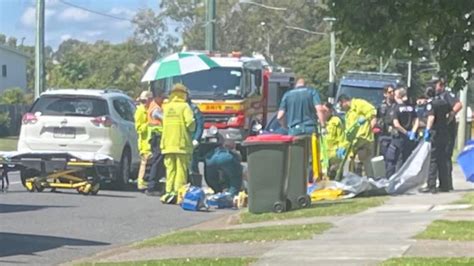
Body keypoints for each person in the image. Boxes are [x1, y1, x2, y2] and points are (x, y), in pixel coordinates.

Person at [160, 84, 195, 203]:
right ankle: (179, 193)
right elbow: (190, 123)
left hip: (167, 144)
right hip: (181, 144)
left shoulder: (167, 107)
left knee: (170, 170)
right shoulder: (185, 107)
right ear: (184, 94)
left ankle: (168, 192)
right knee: (181, 169)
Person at [433, 77, 463, 191]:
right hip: (440, 131)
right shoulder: (436, 97)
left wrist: (451, 115)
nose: (434, 87)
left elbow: (458, 105)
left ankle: (447, 184)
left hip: (448, 131)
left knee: (445, 156)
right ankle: (442, 183)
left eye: (435, 84)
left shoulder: (447, 94)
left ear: (441, 85)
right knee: (440, 157)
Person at [337, 94, 377, 177]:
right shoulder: (348, 114)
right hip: (355, 143)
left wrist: (368, 124)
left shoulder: (358, 104)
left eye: (341, 105)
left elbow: (372, 112)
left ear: (344, 102)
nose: (341, 108)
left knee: (364, 164)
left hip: (364, 140)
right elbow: (349, 132)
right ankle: (359, 184)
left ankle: (368, 184)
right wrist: (344, 146)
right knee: (354, 165)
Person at [421, 86, 451, 193]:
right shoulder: (443, 102)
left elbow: (431, 117)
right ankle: (445, 185)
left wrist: (428, 130)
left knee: (433, 159)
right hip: (444, 132)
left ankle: (431, 185)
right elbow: (451, 113)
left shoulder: (431, 104)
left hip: (435, 133)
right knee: (442, 159)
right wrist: (446, 122)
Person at [385, 88, 419, 178]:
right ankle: (403, 178)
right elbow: (416, 120)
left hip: (398, 138)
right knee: (405, 159)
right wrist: (413, 131)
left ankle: (392, 179)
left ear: (398, 96)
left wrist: (405, 132)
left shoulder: (395, 108)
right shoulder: (411, 108)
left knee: (392, 159)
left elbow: (396, 124)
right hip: (409, 139)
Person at [144, 89, 166, 196]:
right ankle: (151, 186)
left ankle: (154, 185)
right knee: (156, 162)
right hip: (157, 137)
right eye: (162, 98)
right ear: (157, 98)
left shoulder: (154, 106)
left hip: (155, 137)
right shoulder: (156, 109)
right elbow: (165, 119)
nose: (163, 100)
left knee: (157, 161)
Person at [320, 102, 347, 179]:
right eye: (322, 111)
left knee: (335, 177)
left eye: (325, 111)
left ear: (331, 111)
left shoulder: (336, 121)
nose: (323, 113)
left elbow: (341, 137)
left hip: (334, 156)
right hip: (323, 157)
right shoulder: (320, 123)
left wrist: (342, 149)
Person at [134, 90, 153, 191]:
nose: (143, 103)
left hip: (150, 141)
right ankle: (141, 183)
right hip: (144, 142)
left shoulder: (150, 109)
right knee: (144, 163)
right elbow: (139, 128)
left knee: (149, 163)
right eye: (142, 101)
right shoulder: (140, 111)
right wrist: (149, 124)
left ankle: (145, 181)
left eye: (145, 101)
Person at [188, 95, 204, 183]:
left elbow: (200, 125)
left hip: (192, 140)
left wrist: (196, 139)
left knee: (193, 165)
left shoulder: (193, 108)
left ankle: (195, 185)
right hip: (180, 141)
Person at [376, 85, 396, 156]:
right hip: (384, 135)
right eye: (390, 92)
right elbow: (377, 119)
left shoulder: (397, 105)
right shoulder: (381, 106)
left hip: (395, 135)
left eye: (394, 91)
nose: (392, 93)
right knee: (383, 157)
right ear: (385, 94)